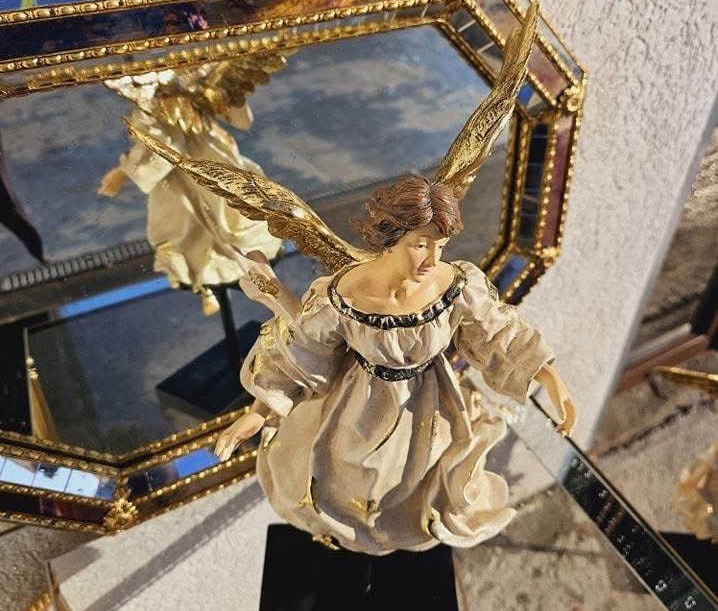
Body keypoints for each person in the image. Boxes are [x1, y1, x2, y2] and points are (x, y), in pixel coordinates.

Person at [214, 174, 577, 555]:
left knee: (417, 481)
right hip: (360, 409)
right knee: (349, 479)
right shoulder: (343, 296)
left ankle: (404, 526)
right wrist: (257, 413)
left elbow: (498, 334)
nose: (433, 260)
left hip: (429, 407)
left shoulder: (455, 285)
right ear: (390, 237)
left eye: (441, 246)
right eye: (420, 245)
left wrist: (548, 376)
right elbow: (301, 354)